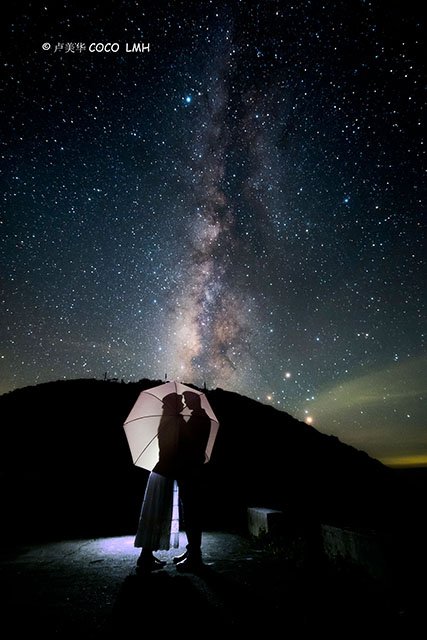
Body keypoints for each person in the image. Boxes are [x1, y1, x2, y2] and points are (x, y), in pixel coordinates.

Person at [134, 390, 211, 574]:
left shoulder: (192, 419)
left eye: (186, 400)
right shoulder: (172, 421)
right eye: (181, 401)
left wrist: (182, 425)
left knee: (179, 513)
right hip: (166, 473)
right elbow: (175, 447)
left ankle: (191, 555)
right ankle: (146, 557)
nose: (185, 403)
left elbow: (189, 445)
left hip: (174, 472)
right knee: (159, 514)